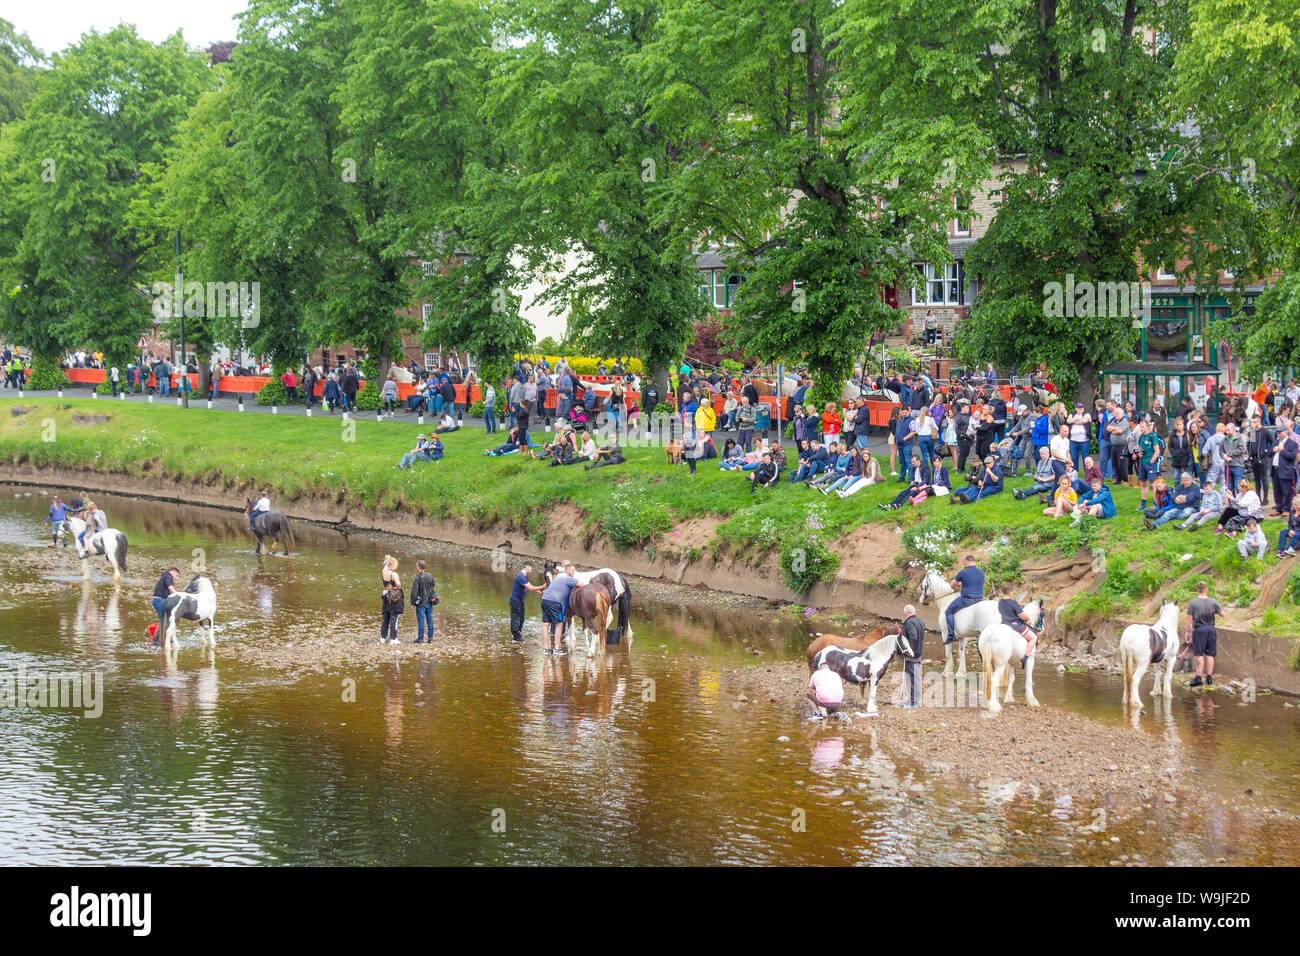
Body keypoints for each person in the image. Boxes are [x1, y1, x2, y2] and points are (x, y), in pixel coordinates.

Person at [1184, 581, 1221, 687]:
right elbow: (1222, 614)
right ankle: (1209, 678)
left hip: (1199, 630)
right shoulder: (1213, 601)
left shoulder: (1193, 602)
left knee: (1199, 655)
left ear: (1198, 590)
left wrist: (1187, 632)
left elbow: (1189, 620)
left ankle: (1198, 678)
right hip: (1211, 629)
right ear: (1207, 589)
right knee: (1210, 654)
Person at [540, 560, 580, 655]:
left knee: (546, 625)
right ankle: (556, 649)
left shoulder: (558, 576)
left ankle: (545, 649)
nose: (574, 573)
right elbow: (582, 585)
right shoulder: (568, 578)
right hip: (554, 603)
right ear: (568, 570)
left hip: (544, 600)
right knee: (559, 624)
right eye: (573, 571)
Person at [943, 555, 984, 645]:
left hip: (967, 599)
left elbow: (952, 585)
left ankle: (951, 635)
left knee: (948, 612)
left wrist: (955, 588)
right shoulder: (981, 573)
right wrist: (963, 583)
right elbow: (972, 583)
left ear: (966, 562)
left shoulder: (963, 572)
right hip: (979, 599)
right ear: (974, 562)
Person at [996, 582, 1038, 666]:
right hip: (1015, 625)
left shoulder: (1000, 602)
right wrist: (1027, 617)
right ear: (1011, 592)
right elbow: (1025, 617)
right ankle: (1025, 657)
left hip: (1004, 624)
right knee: (1034, 637)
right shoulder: (1013, 603)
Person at [898, 604, 925, 708]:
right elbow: (920, 637)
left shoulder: (909, 622)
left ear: (905, 613)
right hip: (918, 653)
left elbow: (914, 637)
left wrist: (908, 650)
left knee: (913, 679)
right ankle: (913, 700)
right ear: (914, 611)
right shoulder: (920, 621)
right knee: (915, 678)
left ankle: (914, 702)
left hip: (912, 655)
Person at [1135, 419, 1165, 511]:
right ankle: (1143, 503)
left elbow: (1157, 451)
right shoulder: (1141, 436)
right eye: (1140, 427)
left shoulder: (1153, 436)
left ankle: (1156, 503)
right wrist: (1139, 454)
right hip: (1142, 463)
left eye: (1143, 427)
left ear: (1147, 427)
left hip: (1150, 463)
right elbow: (1140, 448)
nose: (1141, 428)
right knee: (1143, 483)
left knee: (1153, 483)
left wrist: (1151, 461)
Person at [410, 559, 438, 643]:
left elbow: (414, 592)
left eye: (416, 566)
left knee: (421, 620)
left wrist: (412, 603)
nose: (416, 567)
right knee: (430, 619)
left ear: (419, 568)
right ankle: (430, 638)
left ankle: (420, 638)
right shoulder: (430, 576)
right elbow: (432, 587)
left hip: (421, 603)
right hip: (429, 601)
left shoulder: (417, 578)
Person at [380, 555, 404, 645]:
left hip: (385, 593)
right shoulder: (394, 574)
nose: (397, 566)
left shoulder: (384, 571)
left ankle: (383, 637)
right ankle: (393, 638)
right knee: (394, 616)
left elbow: (385, 566)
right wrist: (398, 586)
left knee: (386, 616)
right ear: (393, 565)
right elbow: (398, 584)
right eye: (396, 565)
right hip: (393, 595)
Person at [152, 566, 180, 638]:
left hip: (158, 600)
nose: (175, 578)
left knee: (166, 619)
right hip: (159, 600)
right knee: (165, 620)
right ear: (173, 572)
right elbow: (170, 587)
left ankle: (163, 637)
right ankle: (157, 638)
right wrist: (178, 595)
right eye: (176, 575)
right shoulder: (168, 576)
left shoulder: (164, 576)